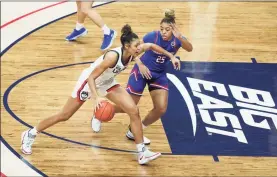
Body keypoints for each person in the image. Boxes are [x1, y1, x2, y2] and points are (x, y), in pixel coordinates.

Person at [21, 24, 178, 165]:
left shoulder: (132, 51)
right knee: (65, 115)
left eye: (138, 45)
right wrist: (96, 99)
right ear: (126, 46)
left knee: (133, 110)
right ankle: (30, 133)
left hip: (108, 82)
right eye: (136, 46)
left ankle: (142, 152)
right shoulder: (112, 57)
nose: (139, 48)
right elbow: (91, 77)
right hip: (89, 83)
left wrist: (170, 56)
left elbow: (151, 46)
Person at [91, 9, 193, 145]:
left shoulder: (178, 39)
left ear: (173, 30)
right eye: (161, 29)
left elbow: (190, 48)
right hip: (141, 72)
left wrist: (180, 37)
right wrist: (140, 64)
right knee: (129, 106)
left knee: (161, 108)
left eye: (167, 29)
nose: (163, 32)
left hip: (158, 75)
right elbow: (134, 50)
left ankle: (134, 131)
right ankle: (101, 113)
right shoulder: (153, 36)